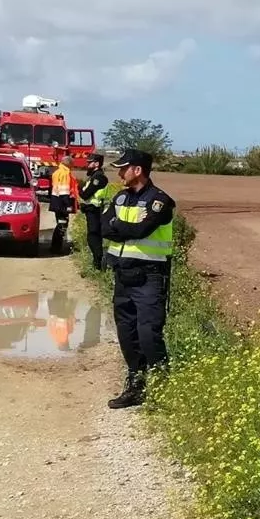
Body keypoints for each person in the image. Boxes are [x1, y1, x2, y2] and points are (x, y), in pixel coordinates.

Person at [102, 148, 175, 409]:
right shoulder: (121, 198)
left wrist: (117, 228)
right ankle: (136, 387)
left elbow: (142, 230)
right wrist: (121, 229)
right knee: (127, 335)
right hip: (122, 276)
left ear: (138, 170)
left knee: (148, 335)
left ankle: (165, 390)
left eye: (123, 168)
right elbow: (102, 227)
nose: (119, 173)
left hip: (149, 278)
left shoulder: (160, 201)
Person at [78, 153, 111, 270]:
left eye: (89, 162)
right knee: (93, 237)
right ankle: (98, 263)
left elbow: (85, 194)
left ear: (96, 164)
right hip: (92, 210)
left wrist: (79, 187)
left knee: (94, 237)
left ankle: (99, 264)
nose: (87, 164)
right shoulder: (93, 176)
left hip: (96, 211)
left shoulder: (98, 177)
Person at [48, 152, 78, 254]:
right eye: (72, 164)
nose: (73, 166)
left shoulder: (57, 172)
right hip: (62, 203)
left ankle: (55, 247)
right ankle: (56, 248)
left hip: (56, 201)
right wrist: (68, 205)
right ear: (68, 163)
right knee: (62, 224)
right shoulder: (65, 173)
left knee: (60, 224)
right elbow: (64, 191)